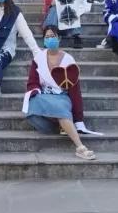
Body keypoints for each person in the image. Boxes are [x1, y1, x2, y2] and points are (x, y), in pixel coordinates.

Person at [22, 26, 96, 160]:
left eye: (53, 36)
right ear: (44, 40)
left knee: (60, 107)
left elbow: (75, 90)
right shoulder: (38, 58)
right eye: (47, 37)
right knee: (33, 102)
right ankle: (62, 126)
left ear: (59, 38)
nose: (50, 39)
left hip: (62, 97)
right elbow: (32, 82)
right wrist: (36, 92)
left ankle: (80, 147)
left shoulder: (68, 60)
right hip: (44, 96)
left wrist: (78, 118)